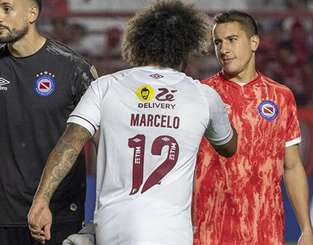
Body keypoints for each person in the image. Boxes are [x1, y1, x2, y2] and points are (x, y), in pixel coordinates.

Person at [27, 1, 237, 244]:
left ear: (138, 42)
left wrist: (41, 200)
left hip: (114, 227)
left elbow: (70, 143)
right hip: (173, 232)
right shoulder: (204, 96)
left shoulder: (105, 86)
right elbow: (228, 146)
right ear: (186, 46)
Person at [193, 10, 313, 245]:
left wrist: (306, 229)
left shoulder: (281, 97)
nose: (224, 49)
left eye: (232, 40)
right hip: (208, 232)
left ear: (254, 42)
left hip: (266, 232)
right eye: (218, 42)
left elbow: (292, 166)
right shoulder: (201, 94)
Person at [0, 0, 97, 244]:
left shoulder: (73, 67)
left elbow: (102, 139)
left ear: (32, 13)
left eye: (6, 8)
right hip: (4, 214)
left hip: (57, 215)